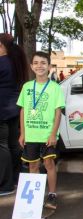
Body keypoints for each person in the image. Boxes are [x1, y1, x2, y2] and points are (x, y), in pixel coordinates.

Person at [17, 51, 65, 209]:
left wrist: (53, 133)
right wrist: (23, 133)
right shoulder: (27, 87)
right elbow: (23, 110)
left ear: (49, 67)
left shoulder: (55, 88)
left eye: (43, 63)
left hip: (47, 135)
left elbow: (58, 111)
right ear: (31, 66)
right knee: (32, 165)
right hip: (31, 134)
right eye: (36, 63)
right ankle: (34, 197)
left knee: (49, 163)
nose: (39, 66)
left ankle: (52, 195)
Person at [0, 33, 29, 196]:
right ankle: (16, 179)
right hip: (13, 110)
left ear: (2, 46)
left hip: (2, 109)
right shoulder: (16, 62)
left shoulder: (2, 63)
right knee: (12, 145)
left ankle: (5, 185)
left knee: (2, 145)